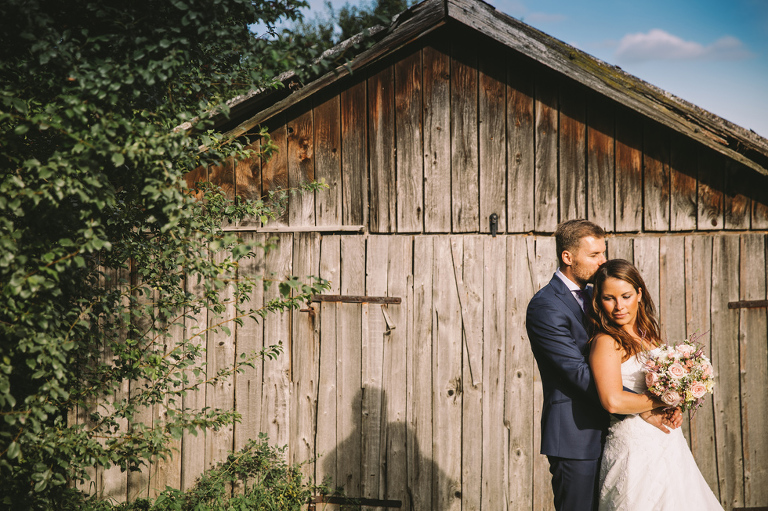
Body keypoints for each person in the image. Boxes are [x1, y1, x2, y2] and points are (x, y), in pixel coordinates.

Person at [526, 220, 678, 511]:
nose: (602, 261)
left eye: (603, 252)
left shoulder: (598, 295)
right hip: (576, 436)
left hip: (620, 435)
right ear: (567, 257)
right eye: (594, 254)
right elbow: (578, 372)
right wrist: (645, 403)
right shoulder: (546, 306)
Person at [588, 259, 723, 510]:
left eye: (626, 296)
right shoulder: (606, 342)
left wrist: (675, 406)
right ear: (599, 301)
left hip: (668, 443)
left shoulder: (649, 336)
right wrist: (665, 399)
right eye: (609, 298)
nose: (619, 306)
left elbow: (657, 387)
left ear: (639, 294)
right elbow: (612, 400)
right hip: (633, 447)